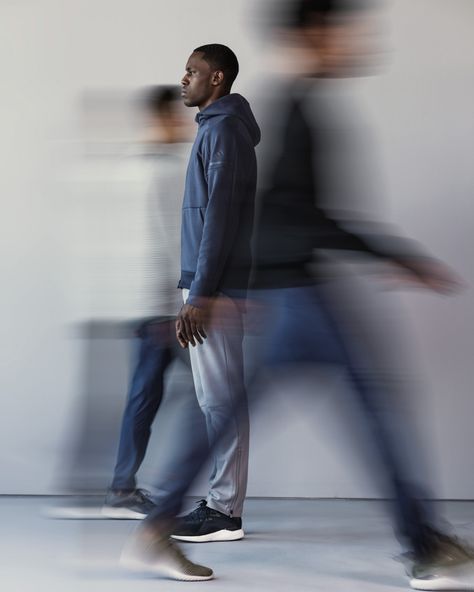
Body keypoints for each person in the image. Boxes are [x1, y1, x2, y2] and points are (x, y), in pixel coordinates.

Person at [246, 1, 474, 590]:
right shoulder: (297, 111)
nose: (357, 40)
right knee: (375, 409)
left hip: (287, 289)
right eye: (346, 31)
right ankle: (424, 545)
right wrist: (396, 256)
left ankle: (158, 521)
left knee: (226, 416)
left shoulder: (294, 105)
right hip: (300, 292)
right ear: (316, 34)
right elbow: (308, 216)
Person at [120, 43, 260, 580]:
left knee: (220, 399)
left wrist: (199, 295)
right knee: (213, 398)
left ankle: (224, 511)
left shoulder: (222, 132)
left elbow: (218, 220)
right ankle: (221, 504)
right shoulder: (215, 129)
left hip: (212, 290)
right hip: (209, 286)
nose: (183, 80)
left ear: (217, 78)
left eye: (193, 72)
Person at [102, 86, 195, 519]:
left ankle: (126, 488)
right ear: (158, 119)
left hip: (149, 303)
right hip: (159, 306)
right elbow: (163, 242)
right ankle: (130, 489)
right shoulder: (156, 171)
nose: (182, 124)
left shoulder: (140, 167)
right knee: (202, 393)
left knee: (147, 395)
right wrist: (174, 304)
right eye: (175, 116)